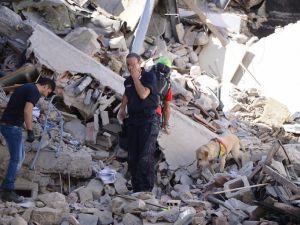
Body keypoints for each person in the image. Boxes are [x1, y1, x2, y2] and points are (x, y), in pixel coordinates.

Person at [0, 77, 56, 203]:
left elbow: (15, 85)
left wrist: (4, 88)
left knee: (19, 158)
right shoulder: (35, 92)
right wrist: (30, 130)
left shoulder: (28, 86)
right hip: (12, 127)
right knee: (16, 159)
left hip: (8, 125)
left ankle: (5, 188)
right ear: (46, 86)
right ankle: (7, 191)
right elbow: (27, 111)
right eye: (48, 91)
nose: (47, 94)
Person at [118, 53, 160, 192]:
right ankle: (137, 190)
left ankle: (146, 191)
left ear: (140, 63)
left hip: (148, 120)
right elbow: (127, 92)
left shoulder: (149, 77)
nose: (130, 68)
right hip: (133, 121)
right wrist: (122, 108)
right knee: (133, 157)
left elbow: (143, 94)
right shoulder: (128, 81)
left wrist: (136, 77)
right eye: (128, 65)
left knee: (145, 156)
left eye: (133, 64)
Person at [153, 57, 173, 134]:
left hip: (137, 107)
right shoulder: (167, 85)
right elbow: (167, 108)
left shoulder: (146, 75)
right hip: (154, 114)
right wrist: (165, 123)